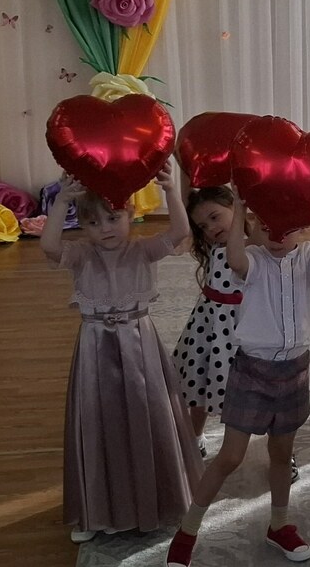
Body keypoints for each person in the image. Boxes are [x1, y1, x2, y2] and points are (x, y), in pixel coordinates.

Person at [166, 199, 310, 566]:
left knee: (281, 455)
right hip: (251, 371)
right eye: (266, 228)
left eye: (285, 229)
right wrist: (238, 206)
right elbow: (235, 258)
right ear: (253, 225)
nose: (276, 237)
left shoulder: (308, 256)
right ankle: (187, 531)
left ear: (302, 228)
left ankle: (279, 525)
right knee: (230, 457)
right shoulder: (251, 259)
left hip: (294, 372)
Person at [41, 165, 201, 544]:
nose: (105, 229)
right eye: (93, 222)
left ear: (130, 213)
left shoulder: (142, 250)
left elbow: (180, 232)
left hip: (139, 344)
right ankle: (97, 510)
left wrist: (171, 190)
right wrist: (61, 201)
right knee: (97, 421)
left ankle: (156, 501)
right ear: (83, 225)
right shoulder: (81, 254)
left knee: (150, 415)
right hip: (95, 347)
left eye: (113, 218)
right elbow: (49, 247)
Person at [173, 186, 243, 458]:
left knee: (253, 391)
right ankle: (195, 436)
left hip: (244, 329)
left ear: (234, 206)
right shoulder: (213, 248)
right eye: (203, 225)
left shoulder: (255, 244)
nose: (211, 228)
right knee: (199, 383)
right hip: (208, 327)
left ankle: (280, 447)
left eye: (215, 217)